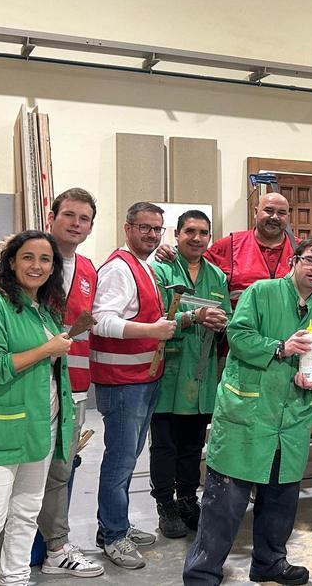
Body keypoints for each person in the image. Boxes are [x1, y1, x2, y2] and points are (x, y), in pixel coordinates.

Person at [183, 235, 312, 586]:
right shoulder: (260, 293)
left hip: (291, 419)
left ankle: (270, 562)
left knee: (281, 500)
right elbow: (238, 336)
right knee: (226, 501)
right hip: (249, 413)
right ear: (294, 261)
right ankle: (202, 573)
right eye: (310, 260)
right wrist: (280, 347)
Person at [0, 188, 102, 578]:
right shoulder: (13, 271)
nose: (76, 224)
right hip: (19, 387)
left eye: (84, 219)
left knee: (58, 472)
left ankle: (55, 549)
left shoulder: (87, 270)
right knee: (5, 480)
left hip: (70, 387)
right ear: (52, 216)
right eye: (69, 215)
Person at [0, 230, 75, 586]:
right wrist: (46, 349)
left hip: (40, 426)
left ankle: (16, 578)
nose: (37, 266)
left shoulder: (43, 311)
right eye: (28, 257)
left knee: (25, 512)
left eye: (45, 259)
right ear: (11, 262)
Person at [89, 202, 177, 569]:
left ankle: (114, 524)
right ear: (127, 228)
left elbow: (144, 317)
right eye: (145, 228)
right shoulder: (118, 270)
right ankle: (113, 535)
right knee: (121, 460)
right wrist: (152, 330)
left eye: (158, 229)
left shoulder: (146, 267)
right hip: (122, 382)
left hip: (142, 378)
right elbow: (99, 321)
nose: (152, 235)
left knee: (128, 457)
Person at [150, 210, 231, 538]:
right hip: (170, 369)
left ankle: (187, 498)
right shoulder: (161, 268)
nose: (197, 238)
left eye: (203, 233)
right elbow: (153, 315)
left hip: (201, 372)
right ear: (177, 234)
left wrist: (221, 321)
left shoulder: (217, 276)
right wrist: (192, 317)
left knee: (193, 444)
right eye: (190, 232)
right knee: (165, 444)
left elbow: (225, 314)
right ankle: (165, 503)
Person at [157, 191, 295, 308]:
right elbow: (193, 258)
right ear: (255, 212)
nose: (275, 217)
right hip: (239, 333)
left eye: (282, 213)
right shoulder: (229, 245)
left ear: (288, 216)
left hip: (289, 331)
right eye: (269, 210)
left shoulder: (302, 251)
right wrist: (170, 251)